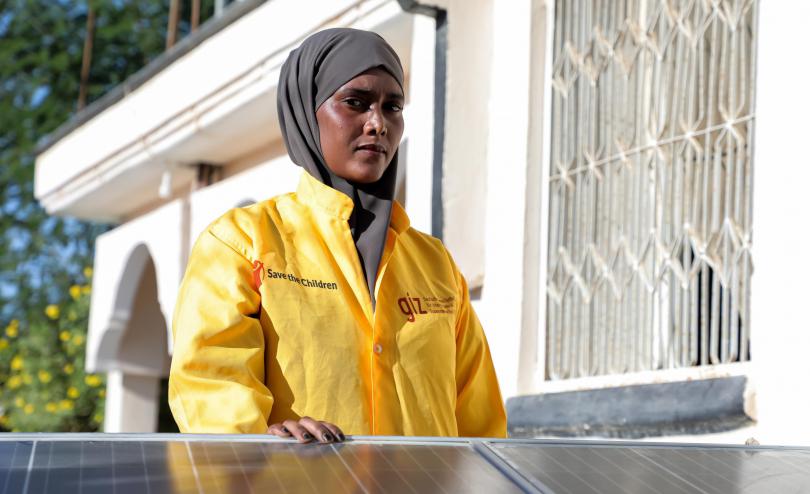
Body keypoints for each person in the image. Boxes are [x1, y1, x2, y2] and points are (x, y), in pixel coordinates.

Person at [168, 28, 506, 443]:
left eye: (393, 107)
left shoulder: (435, 264)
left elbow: (482, 428)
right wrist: (261, 444)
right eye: (356, 103)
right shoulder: (242, 244)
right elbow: (210, 388)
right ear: (307, 112)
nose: (378, 124)